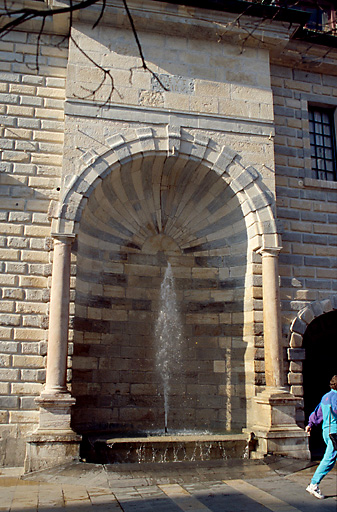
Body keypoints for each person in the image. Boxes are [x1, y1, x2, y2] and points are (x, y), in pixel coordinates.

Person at [305, 374, 337, 499]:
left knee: (331, 457)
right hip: (334, 433)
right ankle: (313, 484)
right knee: (329, 458)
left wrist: (310, 424)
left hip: (327, 431)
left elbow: (317, 412)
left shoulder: (326, 397)